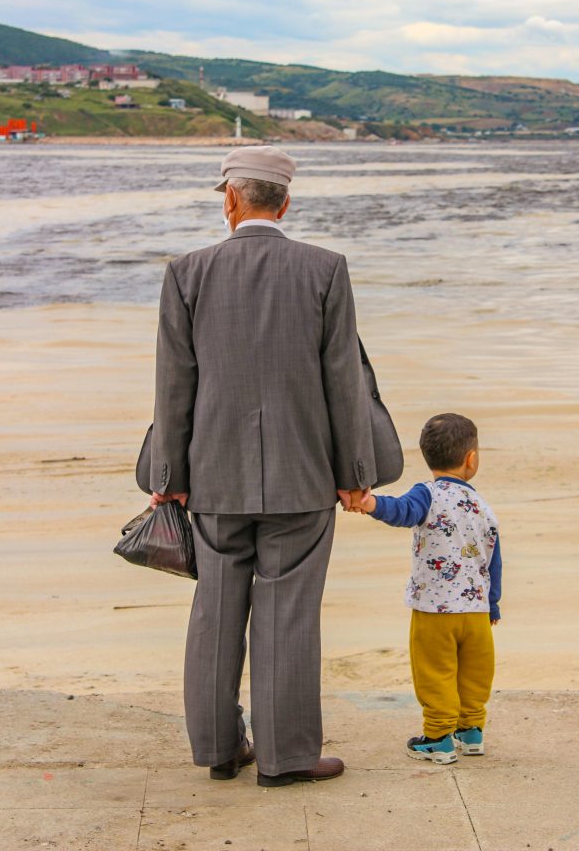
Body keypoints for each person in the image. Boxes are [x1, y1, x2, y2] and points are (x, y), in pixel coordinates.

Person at [148, 146, 377, 787]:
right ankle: (287, 757)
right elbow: (343, 380)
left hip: (212, 478)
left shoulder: (186, 272)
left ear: (230, 199)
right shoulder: (325, 269)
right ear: (286, 202)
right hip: (304, 477)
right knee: (290, 615)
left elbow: (174, 386)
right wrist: (353, 471)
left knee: (215, 610)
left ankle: (220, 749)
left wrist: (170, 479)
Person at [339, 412, 502, 764]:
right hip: (476, 612)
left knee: (434, 671)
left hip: (435, 610)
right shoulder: (482, 506)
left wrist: (368, 503)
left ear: (426, 456)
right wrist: (494, 605)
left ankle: (439, 737)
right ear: (471, 459)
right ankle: (471, 732)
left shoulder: (426, 494)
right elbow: (493, 561)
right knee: (475, 673)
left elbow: (401, 511)